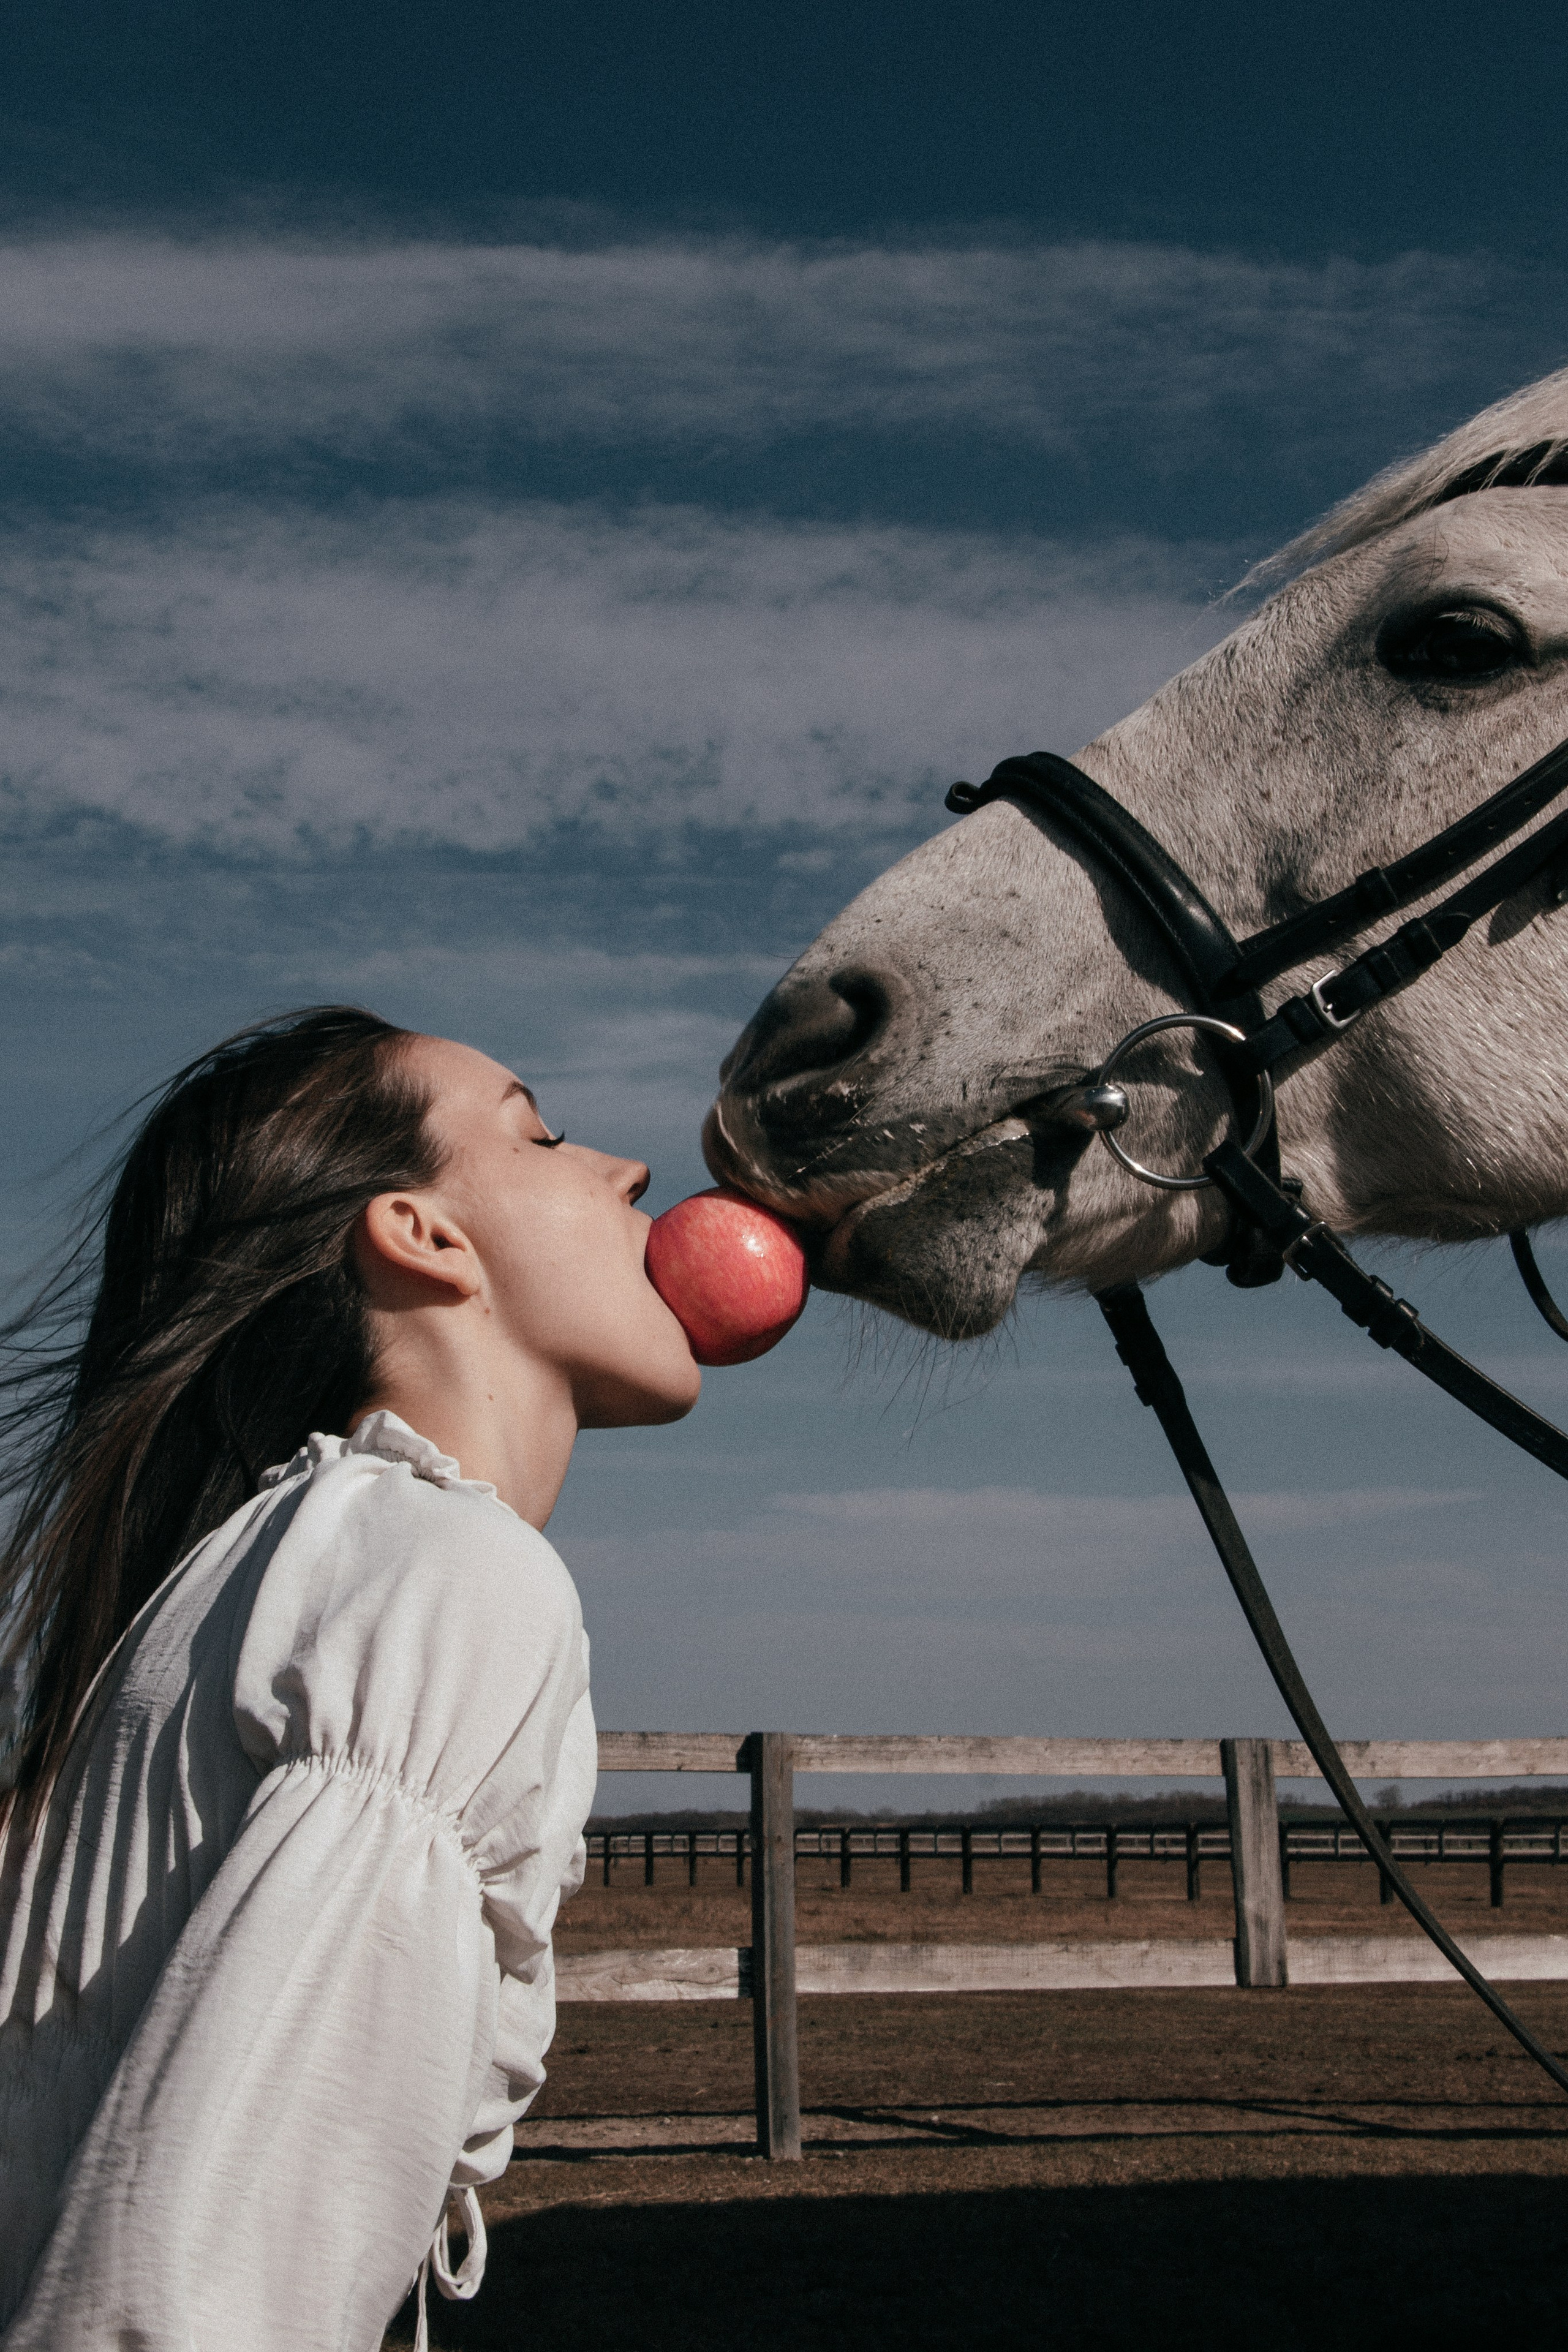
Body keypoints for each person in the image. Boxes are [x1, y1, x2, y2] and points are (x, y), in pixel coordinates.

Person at [0, 1006, 701, 2349]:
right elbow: (194, 2298)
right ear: (422, 1235)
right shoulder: (444, 1576)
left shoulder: (245, 1586)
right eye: (540, 1133)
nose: (627, 1172)